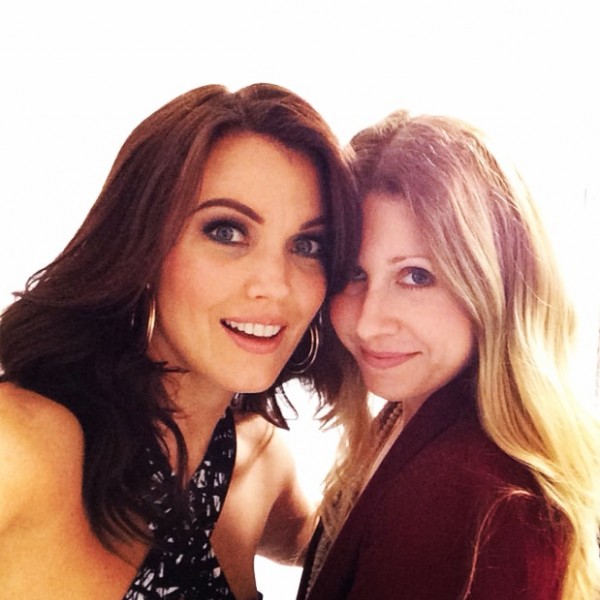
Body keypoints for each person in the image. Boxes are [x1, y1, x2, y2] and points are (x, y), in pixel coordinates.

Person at [0, 83, 359, 599]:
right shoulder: (24, 444)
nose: (276, 286)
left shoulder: (258, 462)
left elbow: (355, 544)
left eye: (307, 244)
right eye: (227, 231)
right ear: (142, 246)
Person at [298, 111, 600, 599]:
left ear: (493, 286)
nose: (369, 322)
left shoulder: (478, 500)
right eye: (354, 274)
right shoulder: (408, 416)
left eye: (416, 276)